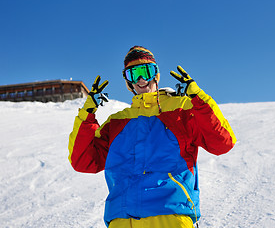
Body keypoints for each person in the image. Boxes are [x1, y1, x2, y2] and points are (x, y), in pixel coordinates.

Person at [68, 46, 237, 227]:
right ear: (128, 81)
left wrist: (198, 98)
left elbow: (222, 142)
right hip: (122, 219)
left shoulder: (181, 110)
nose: (141, 79)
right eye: (134, 74)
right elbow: (83, 161)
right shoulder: (117, 122)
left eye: (146, 71)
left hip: (170, 215)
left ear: (155, 74)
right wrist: (87, 113)